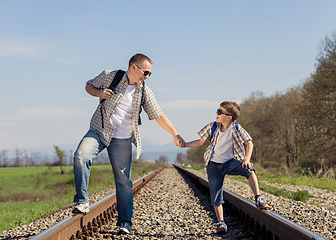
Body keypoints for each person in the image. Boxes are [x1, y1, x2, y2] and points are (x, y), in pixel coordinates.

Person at [72, 53, 185, 235]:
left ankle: (125, 223)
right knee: (80, 155)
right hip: (99, 130)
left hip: (122, 139)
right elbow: (88, 85)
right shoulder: (110, 76)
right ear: (134, 68)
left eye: (149, 74)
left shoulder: (144, 92)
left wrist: (175, 133)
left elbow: (159, 115)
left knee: (124, 182)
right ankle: (81, 201)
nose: (147, 77)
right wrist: (99, 93)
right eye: (146, 72)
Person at [183, 101, 269, 234]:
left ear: (228, 117)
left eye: (220, 111)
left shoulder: (236, 128)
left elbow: (249, 143)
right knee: (216, 194)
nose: (216, 113)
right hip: (213, 165)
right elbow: (200, 142)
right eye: (217, 110)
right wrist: (185, 144)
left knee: (249, 170)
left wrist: (247, 160)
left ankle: (258, 198)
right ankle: (221, 222)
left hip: (230, 162)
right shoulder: (212, 127)